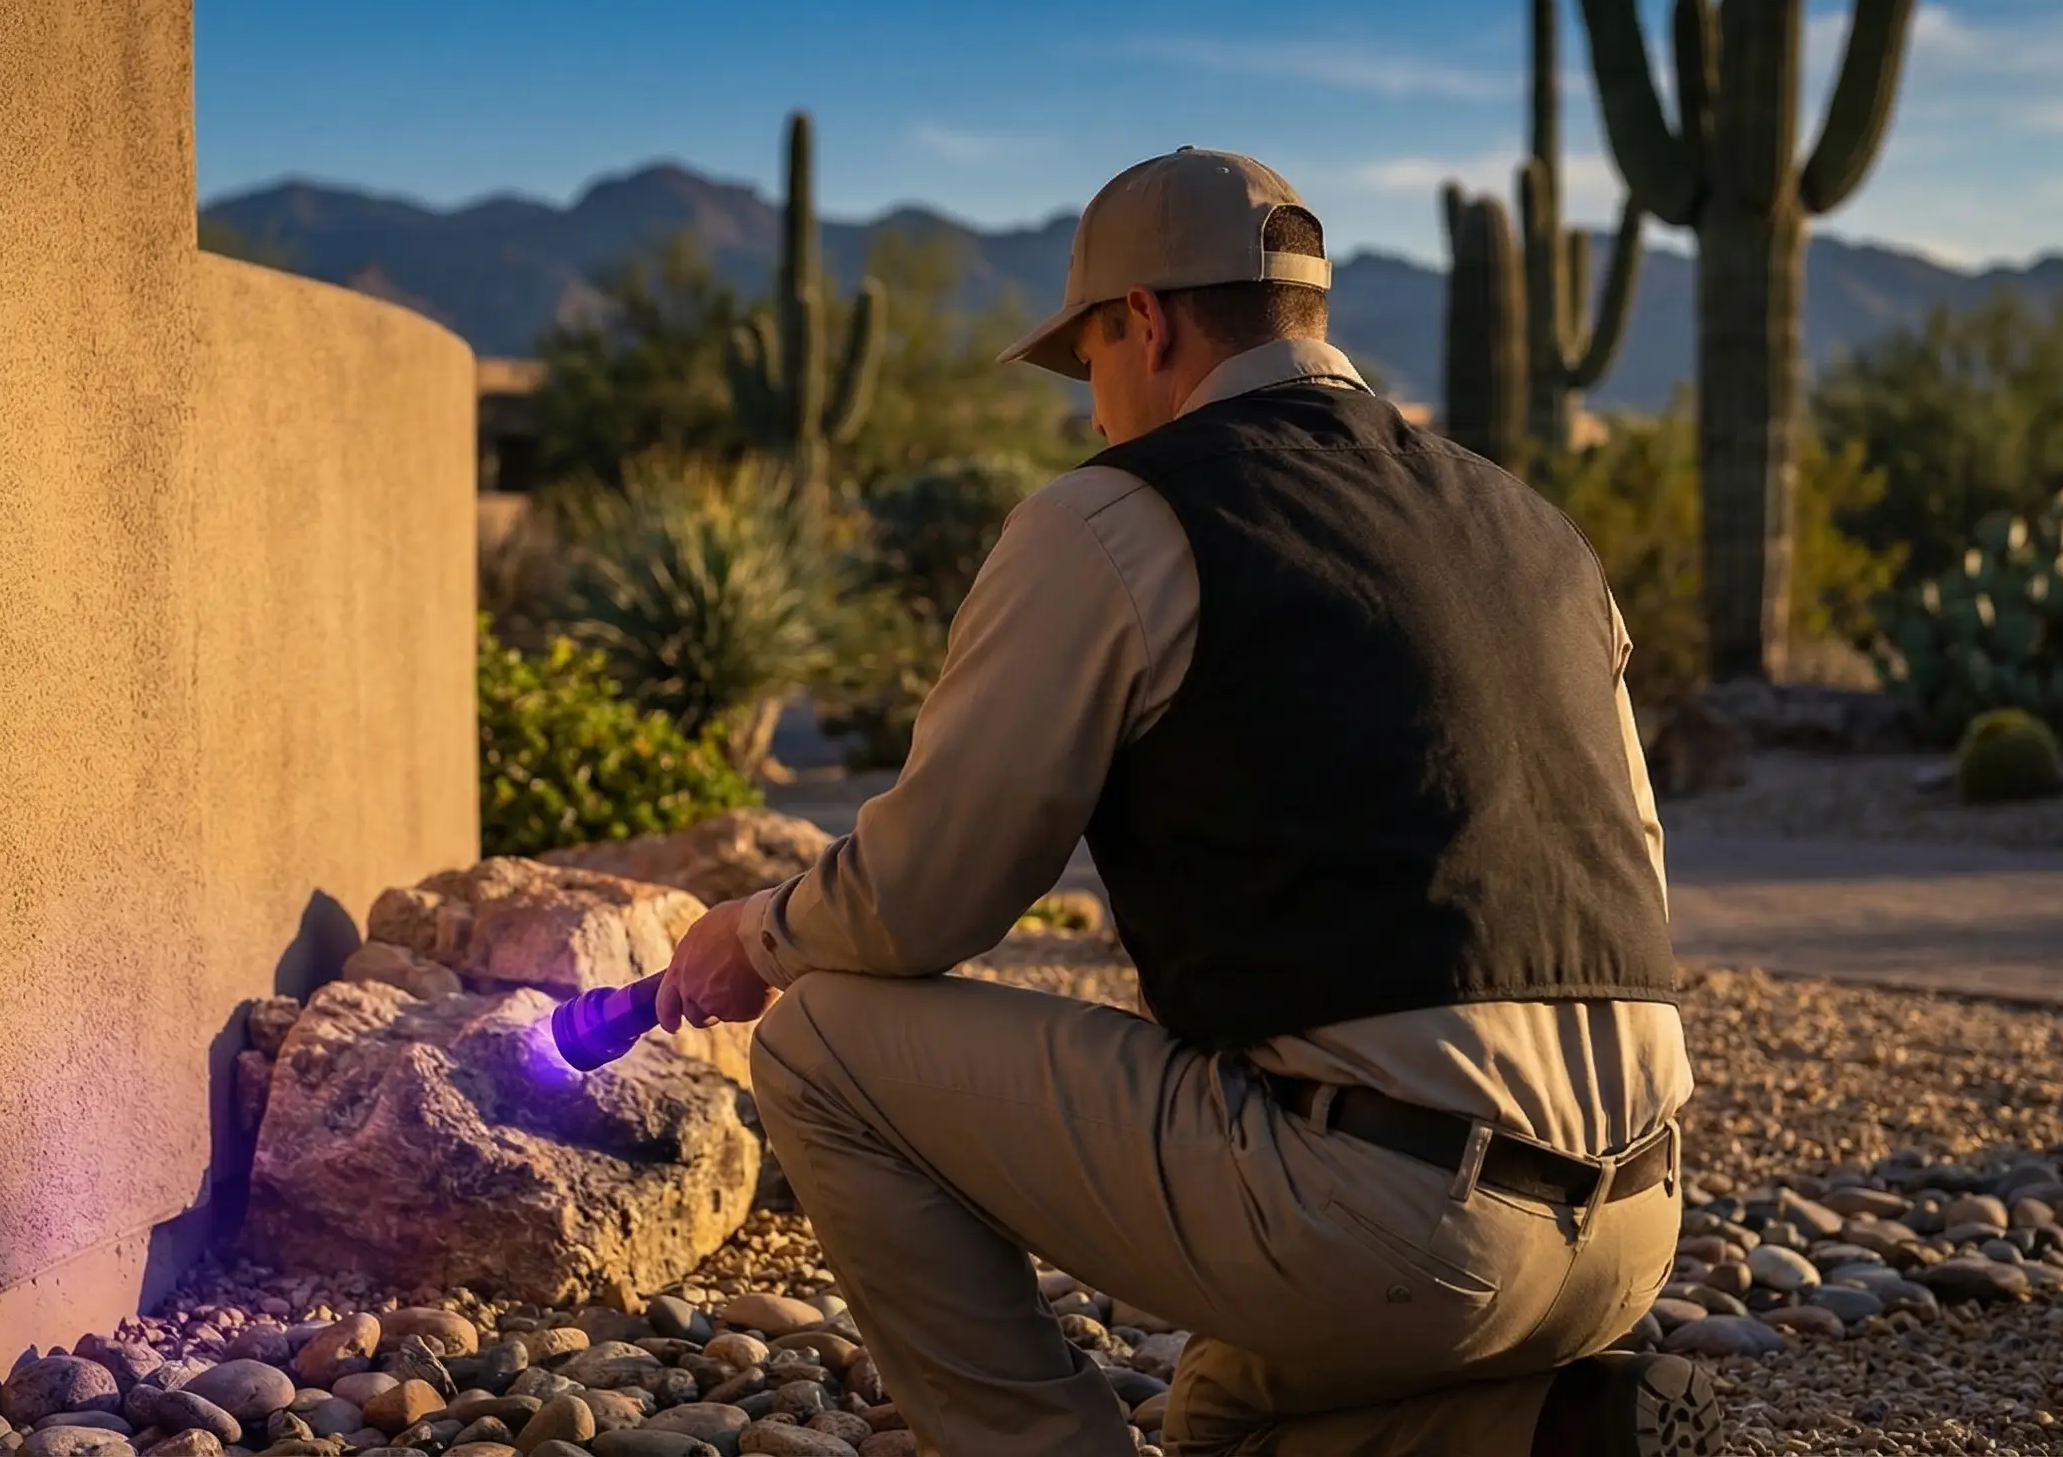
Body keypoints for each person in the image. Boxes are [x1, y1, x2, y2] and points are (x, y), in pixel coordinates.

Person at [655, 147, 1718, 1457]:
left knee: (821, 1041)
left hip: (1390, 1227)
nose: (1092, 416)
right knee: (1215, 1417)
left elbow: (924, 899)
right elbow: (1638, 869)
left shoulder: (1117, 517)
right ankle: (1544, 1433)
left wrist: (754, 936)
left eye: (1088, 367)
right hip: (1635, 1229)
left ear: (1145, 323)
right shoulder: (1532, 525)